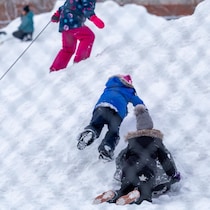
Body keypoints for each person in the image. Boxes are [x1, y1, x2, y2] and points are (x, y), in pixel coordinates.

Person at [93, 104, 181, 205]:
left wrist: (122, 172)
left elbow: (121, 157)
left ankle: (113, 194)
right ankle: (138, 195)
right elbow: (164, 159)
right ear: (151, 126)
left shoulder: (132, 141)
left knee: (125, 189)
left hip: (129, 169)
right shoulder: (156, 141)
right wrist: (173, 174)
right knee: (145, 192)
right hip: (146, 169)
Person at [77, 74, 152, 161]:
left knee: (96, 124)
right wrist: (144, 110)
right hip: (117, 112)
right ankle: (107, 147)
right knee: (114, 132)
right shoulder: (129, 90)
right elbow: (138, 103)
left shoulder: (109, 86)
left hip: (101, 107)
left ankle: (90, 132)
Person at [49, 0, 105, 72]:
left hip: (65, 23)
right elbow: (87, 9)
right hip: (74, 22)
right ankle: (80, 62)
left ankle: (55, 69)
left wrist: (57, 14)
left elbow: (65, 6)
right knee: (88, 36)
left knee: (67, 49)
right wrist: (94, 18)